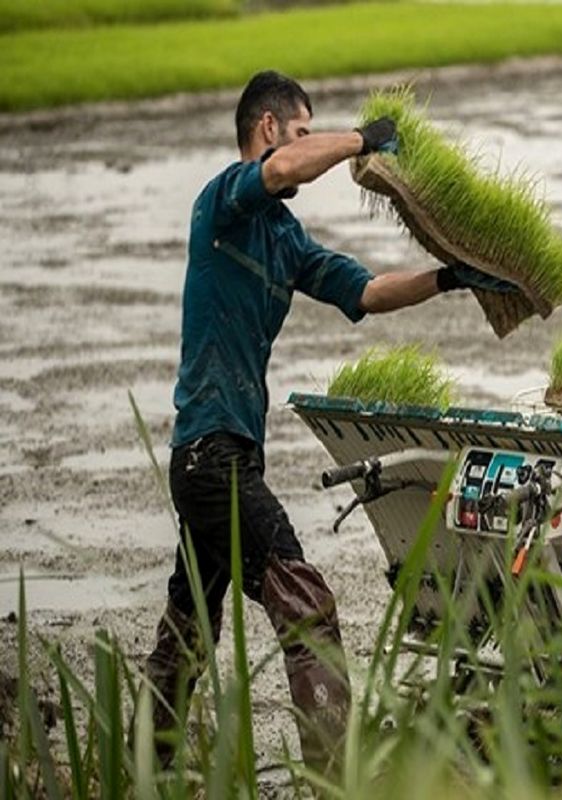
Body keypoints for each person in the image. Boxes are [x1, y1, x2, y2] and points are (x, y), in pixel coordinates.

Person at [143, 70, 506, 773]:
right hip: (208, 454)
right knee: (305, 600)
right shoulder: (224, 203)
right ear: (269, 128)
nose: (312, 146)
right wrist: (363, 140)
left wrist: (450, 278)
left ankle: (145, 767)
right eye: (305, 130)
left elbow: (365, 292)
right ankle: (335, 776)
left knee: (190, 620)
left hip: (228, 456)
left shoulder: (284, 239)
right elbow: (280, 169)